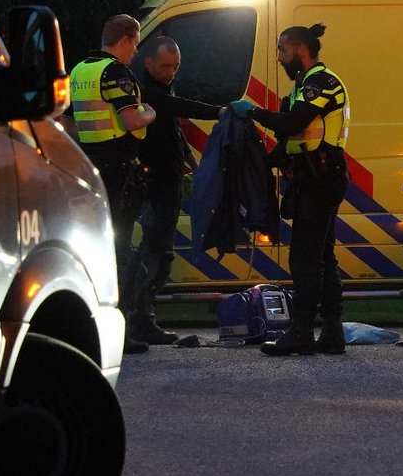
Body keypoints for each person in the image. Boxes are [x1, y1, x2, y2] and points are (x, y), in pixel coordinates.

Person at [229, 23, 350, 356]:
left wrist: (252, 111)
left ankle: (301, 332)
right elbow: (290, 141)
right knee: (322, 256)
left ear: (300, 48)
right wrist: (257, 165)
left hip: (322, 178)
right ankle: (332, 333)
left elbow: (293, 124)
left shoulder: (322, 83)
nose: (280, 58)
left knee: (305, 259)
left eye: (282, 50)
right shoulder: (302, 87)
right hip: (312, 177)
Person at [125, 34, 225, 345]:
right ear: (149, 62)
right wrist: (219, 111)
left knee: (158, 253)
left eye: (176, 66)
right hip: (152, 181)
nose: (171, 72)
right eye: (166, 66)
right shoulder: (143, 88)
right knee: (154, 253)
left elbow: (171, 125)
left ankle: (142, 318)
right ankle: (136, 319)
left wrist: (188, 157)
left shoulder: (160, 84)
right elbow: (173, 106)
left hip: (166, 180)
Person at [68, 14, 157, 353]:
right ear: (125, 40)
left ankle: (90, 328)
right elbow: (132, 120)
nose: (135, 51)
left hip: (90, 170)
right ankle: (118, 331)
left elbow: (67, 124)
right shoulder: (115, 72)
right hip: (119, 173)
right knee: (120, 252)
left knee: (95, 250)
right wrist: (150, 111)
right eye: (135, 44)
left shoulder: (79, 71)